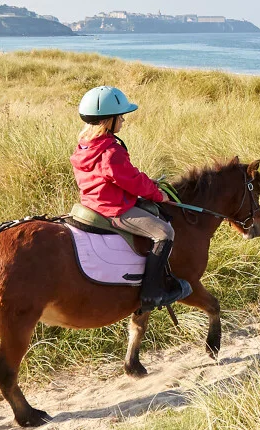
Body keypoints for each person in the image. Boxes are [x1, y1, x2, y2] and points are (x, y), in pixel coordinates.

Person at [72, 85, 188, 309]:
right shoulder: (110, 151)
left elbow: (119, 177)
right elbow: (132, 181)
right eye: (121, 116)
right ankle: (152, 293)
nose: (124, 120)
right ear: (109, 120)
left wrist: (146, 181)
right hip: (113, 209)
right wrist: (158, 194)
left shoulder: (86, 145)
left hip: (91, 204)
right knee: (164, 233)